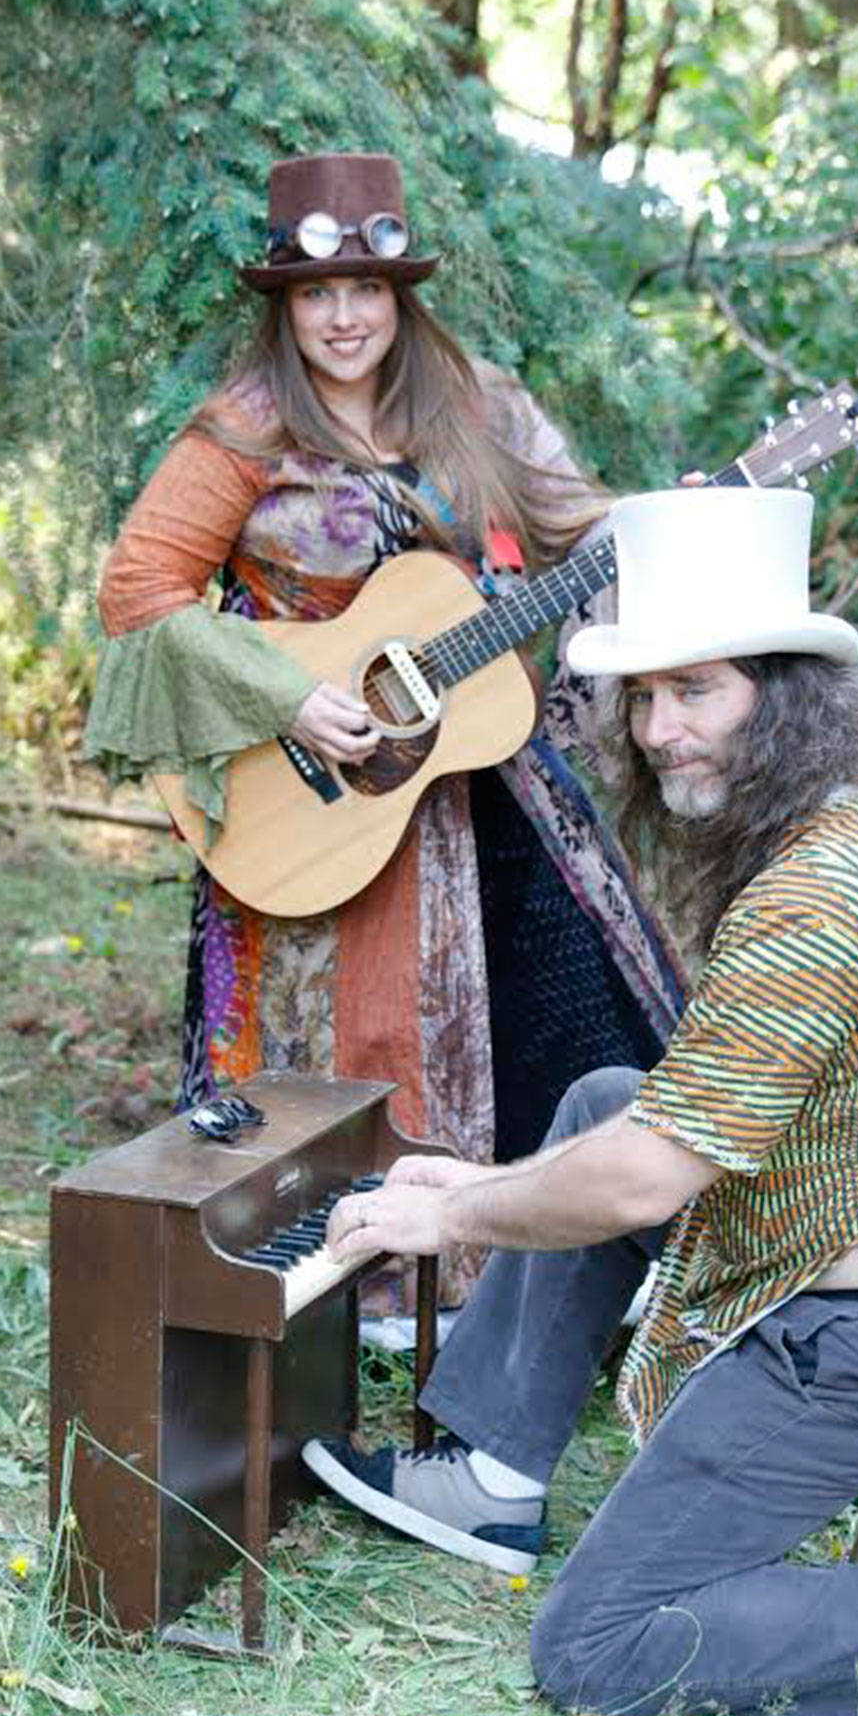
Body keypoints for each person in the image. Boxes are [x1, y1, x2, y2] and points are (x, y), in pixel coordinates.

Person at [304, 485, 858, 1716]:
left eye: (699, 691)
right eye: (643, 695)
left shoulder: (826, 886)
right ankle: (493, 1476)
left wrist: (447, 1208)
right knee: (605, 1095)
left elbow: (638, 1183)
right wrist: (498, 1176)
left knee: (599, 1641)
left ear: (787, 695)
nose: (662, 730)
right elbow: (657, 1127)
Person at [83, 151, 685, 1309]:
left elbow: (579, 522)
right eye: (318, 293)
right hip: (314, 796)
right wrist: (284, 693)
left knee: (571, 1005)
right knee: (339, 1042)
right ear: (285, 305)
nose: (345, 315)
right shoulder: (244, 431)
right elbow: (141, 586)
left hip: (482, 766)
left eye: (367, 289)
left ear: (400, 296)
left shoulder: (477, 406)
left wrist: (678, 519)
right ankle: (351, 1289)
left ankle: (566, 1279)